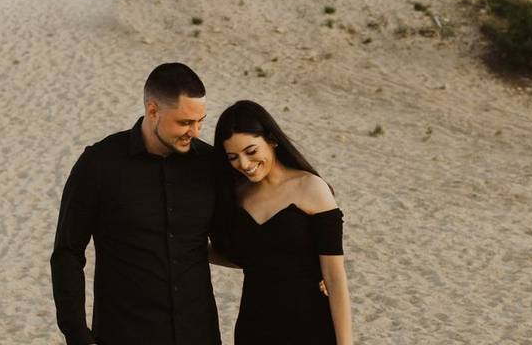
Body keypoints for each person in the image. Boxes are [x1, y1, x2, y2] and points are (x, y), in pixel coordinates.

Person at [50, 62, 222, 345]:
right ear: (153, 111)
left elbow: (241, 236)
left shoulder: (209, 165)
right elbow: (67, 252)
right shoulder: (99, 164)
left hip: (198, 332)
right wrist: (77, 333)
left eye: (200, 120)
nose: (195, 131)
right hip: (124, 332)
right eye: (185, 122)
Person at [212, 100, 353, 345]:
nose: (244, 164)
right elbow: (247, 257)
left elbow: (335, 277)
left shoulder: (311, 188)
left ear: (272, 140)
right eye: (233, 157)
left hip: (310, 327)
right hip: (253, 328)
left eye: (251, 151)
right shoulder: (236, 196)